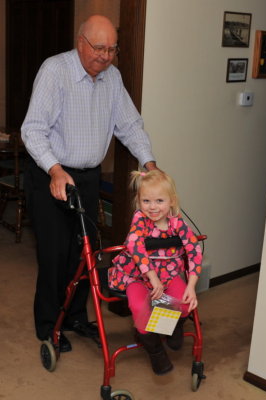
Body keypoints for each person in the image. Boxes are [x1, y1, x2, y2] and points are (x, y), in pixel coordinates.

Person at [21, 15, 158, 352]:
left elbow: (130, 124)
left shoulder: (112, 78)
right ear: (80, 42)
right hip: (52, 173)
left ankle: (75, 317)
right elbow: (33, 129)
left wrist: (150, 164)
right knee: (55, 255)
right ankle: (49, 325)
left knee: (86, 253)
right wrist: (54, 169)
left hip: (88, 176)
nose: (106, 56)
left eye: (112, 49)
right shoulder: (55, 70)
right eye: (99, 48)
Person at [108, 170, 202, 375]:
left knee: (184, 303)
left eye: (159, 200)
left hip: (168, 275)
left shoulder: (177, 224)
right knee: (139, 307)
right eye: (146, 200)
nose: (153, 206)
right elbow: (134, 243)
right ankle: (156, 352)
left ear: (171, 201)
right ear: (139, 201)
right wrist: (152, 277)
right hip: (137, 276)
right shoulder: (140, 219)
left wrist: (192, 286)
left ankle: (173, 326)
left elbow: (194, 250)